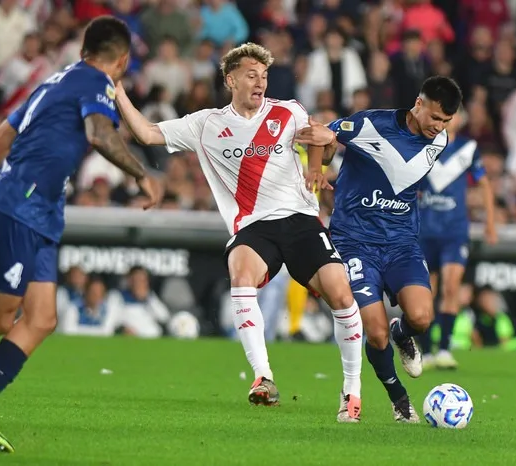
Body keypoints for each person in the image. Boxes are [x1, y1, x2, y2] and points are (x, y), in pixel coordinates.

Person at [113, 42, 364, 422]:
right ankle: (263, 377)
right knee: (241, 273)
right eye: (251, 75)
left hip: (298, 219)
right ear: (231, 80)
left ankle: (351, 391)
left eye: (263, 76)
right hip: (251, 226)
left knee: (341, 293)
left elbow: (321, 137)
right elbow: (146, 134)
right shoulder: (206, 124)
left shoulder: (287, 111)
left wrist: (319, 166)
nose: (259, 81)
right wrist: (118, 91)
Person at [0, 16, 160, 453]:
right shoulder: (93, 82)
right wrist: (141, 175)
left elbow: (1, 135)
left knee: (42, 317)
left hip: (42, 210)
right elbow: (100, 132)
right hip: (21, 205)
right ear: (121, 60)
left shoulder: (57, 81)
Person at [296, 76, 468, 422]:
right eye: (435, 117)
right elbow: (319, 133)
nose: (439, 127)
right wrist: (317, 168)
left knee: (421, 317)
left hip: (402, 241)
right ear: (418, 104)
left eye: (446, 121)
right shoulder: (370, 123)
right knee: (372, 332)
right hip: (355, 240)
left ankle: (401, 333)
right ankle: (398, 398)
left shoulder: (441, 139)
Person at [415, 109, 497, 370]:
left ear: (460, 120)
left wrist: (490, 223)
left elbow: (484, 185)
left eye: (454, 115)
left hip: (454, 231)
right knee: (427, 291)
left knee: (452, 288)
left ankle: (445, 348)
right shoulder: (422, 145)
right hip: (424, 231)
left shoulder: (467, 149)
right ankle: (426, 351)